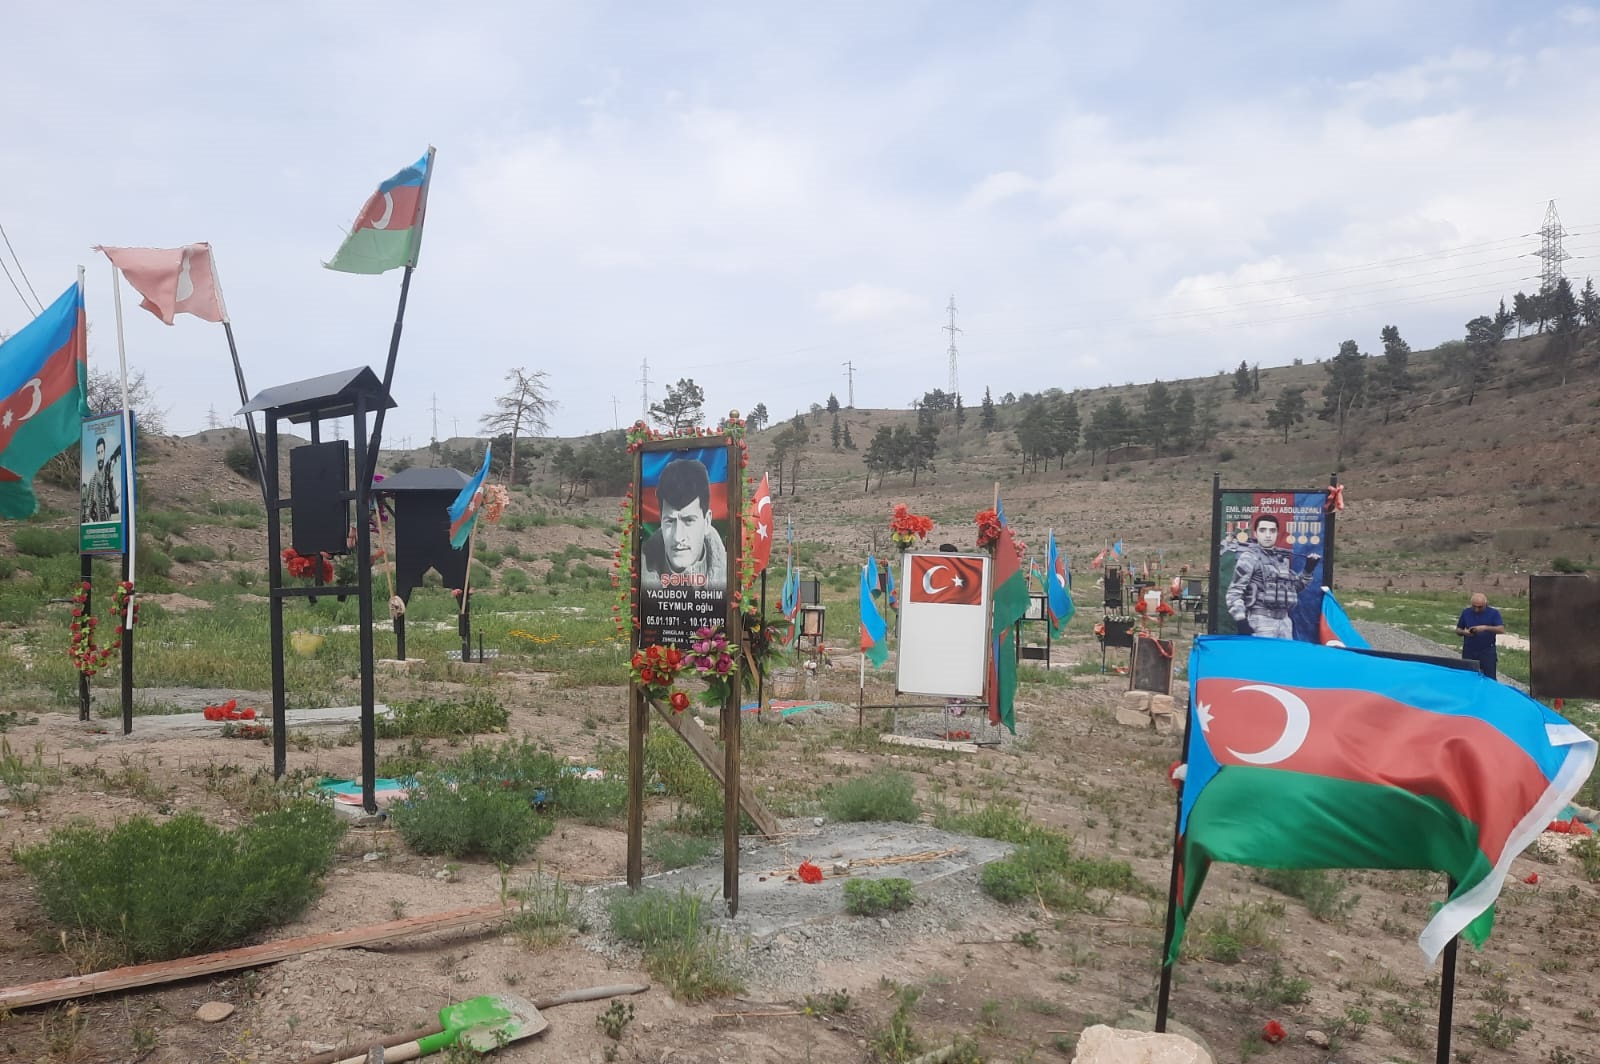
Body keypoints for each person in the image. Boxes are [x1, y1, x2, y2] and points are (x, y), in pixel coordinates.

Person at [1225, 512, 1319, 639]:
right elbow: (1234, 592)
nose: (1268, 535)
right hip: (1261, 622)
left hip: (1285, 623)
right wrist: (1241, 620)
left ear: (1277, 533)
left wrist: (1308, 569)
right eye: (1263, 530)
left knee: (1285, 653)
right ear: (1255, 533)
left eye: (1272, 531)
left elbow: (1293, 589)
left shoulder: (1281, 559)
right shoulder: (1249, 557)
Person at [640, 457, 727, 592]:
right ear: (661, 520)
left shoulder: (732, 577)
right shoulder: (637, 575)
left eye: (689, 521)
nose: (678, 537)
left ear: (707, 522)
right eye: (670, 521)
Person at [1456, 592, 1505, 679]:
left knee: (1489, 677)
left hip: (1487, 651)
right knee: (1468, 676)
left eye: (1480, 607)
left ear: (1486, 604)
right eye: (1474, 606)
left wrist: (1485, 628)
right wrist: (1465, 632)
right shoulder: (1466, 612)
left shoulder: (1494, 613)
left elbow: (1501, 629)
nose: (1476, 609)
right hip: (1469, 650)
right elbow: (1458, 629)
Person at [81, 436, 122, 523]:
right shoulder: (93, 479)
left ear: (104, 452)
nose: (100, 456)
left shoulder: (108, 475)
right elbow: (88, 506)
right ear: (96, 454)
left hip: (108, 522)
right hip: (97, 524)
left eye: (102, 452)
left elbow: (113, 503)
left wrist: (110, 480)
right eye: (98, 453)